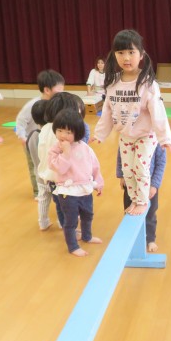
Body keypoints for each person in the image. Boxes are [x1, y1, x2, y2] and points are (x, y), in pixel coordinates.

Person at [92, 29, 171, 216]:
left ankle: (143, 202)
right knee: (127, 171)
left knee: (140, 167)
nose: (126, 58)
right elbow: (107, 110)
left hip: (146, 136)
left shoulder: (147, 83)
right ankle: (135, 200)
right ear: (114, 55)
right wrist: (100, 134)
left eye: (131, 52)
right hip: (125, 136)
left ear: (141, 54)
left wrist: (165, 138)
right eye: (121, 52)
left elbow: (158, 113)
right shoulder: (113, 83)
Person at [48, 109, 104, 257]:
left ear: (77, 132)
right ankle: (73, 247)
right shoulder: (55, 150)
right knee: (71, 221)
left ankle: (87, 236)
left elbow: (95, 166)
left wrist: (98, 183)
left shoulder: (84, 147)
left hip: (85, 189)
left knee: (88, 215)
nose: (63, 135)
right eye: (60, 130)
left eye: (68, 132)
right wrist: (66, 152)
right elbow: (60, 168)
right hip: (67, 192)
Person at [38, 92, 87, 230]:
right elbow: (70, 158)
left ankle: (65, 225)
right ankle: (69, 229)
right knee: (67, 206)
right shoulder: (63, 135)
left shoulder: (46, 128)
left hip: (49, 176)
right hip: (62, 179)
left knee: (60, 204)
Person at [16, 70, 65, 199]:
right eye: (59, 89)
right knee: (36, 166)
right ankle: (38, 192)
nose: (62, 92)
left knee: (50, 163)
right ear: (47, 90)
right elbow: (20, 121)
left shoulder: (58, 104)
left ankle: (53, 187)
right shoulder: (33, 105)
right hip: (33, 140)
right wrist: (22, 137)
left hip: (48, 139)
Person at [116, 143, 166, 252]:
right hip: (131, 183)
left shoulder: (157, 141)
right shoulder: (128, 137)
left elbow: (161, 163)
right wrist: (121, 175)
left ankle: (150, 239)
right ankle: (130, 238)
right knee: (129, 211)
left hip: (149, 185)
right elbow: (121, 156)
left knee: (150, 213)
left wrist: (154, 185)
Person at [25, 100, 52, 230]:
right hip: (52, 176)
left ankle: (43, 222)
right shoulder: (50, 136)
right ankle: (62, 222)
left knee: (43, 199)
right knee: (60, 202)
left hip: (39, 176)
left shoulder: (31, 135)